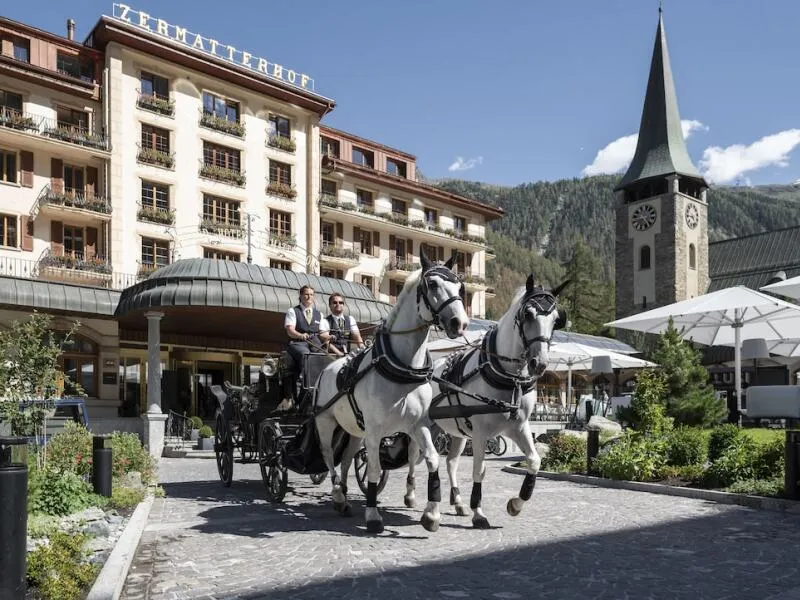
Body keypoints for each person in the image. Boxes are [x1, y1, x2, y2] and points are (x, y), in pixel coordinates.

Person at [282, 285, 322, 405]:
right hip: (297, 343)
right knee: (307, 356)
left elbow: (323, 333)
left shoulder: (319, 314)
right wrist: (300, 335)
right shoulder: (293, 311)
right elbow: (290, 330)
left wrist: (329, 337)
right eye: (306, 294)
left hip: (314, 343)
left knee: (323, 358)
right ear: (300, 296)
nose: (309, 297)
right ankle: (303, 394)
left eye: (311, 294)